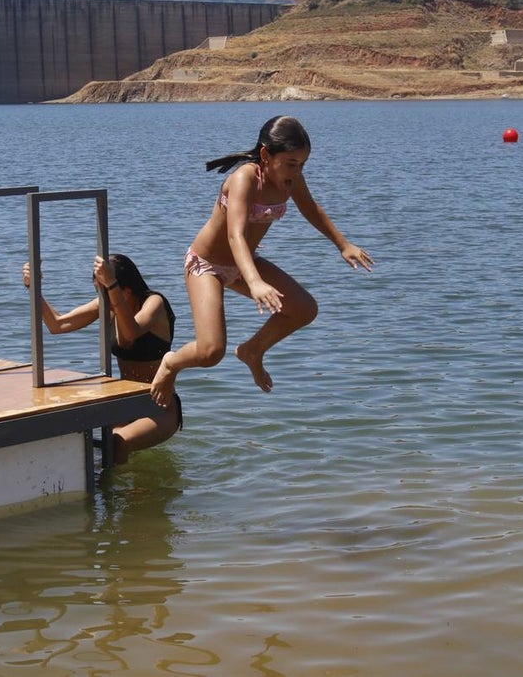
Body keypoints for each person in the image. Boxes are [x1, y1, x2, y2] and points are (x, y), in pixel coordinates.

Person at [150, 115, 373, 407]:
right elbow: (235, 236)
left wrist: (342, 244)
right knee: (210, 352)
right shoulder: (245, 178)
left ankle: (253, 350)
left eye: (302, 164)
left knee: (304, 308)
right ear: (266, 155)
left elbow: (311, 208)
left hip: (244, 263)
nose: (297, 171)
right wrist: (254, 281)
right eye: (291, 163)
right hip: (207, 265)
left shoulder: (290, 179)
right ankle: (170, 363)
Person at [23, 254, 180, 465]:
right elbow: (57, 325)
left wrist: (111, 285)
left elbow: (130, 334)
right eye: (99, 291)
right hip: (127, 403)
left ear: (126, 290)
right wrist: (34, 288)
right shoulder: (108, 303)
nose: (101, 298)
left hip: (160, 405)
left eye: (103, 290)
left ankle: (125, 496)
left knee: (117, 443)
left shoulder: (154, 303)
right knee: (97, 446)